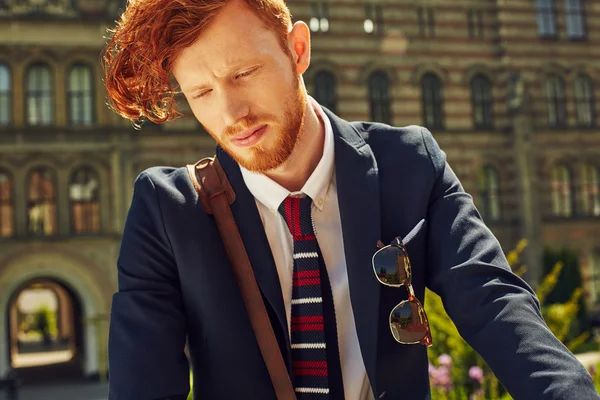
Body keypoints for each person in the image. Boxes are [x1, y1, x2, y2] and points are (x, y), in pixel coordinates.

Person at [102, 0, 599, 399]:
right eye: (202, 92)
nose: (232, 113)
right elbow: (141, 383)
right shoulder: (166, 210)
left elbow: (495, 303)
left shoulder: (408, 165)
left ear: (298, 49)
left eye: (244, 73)